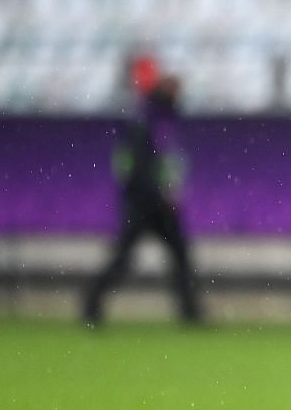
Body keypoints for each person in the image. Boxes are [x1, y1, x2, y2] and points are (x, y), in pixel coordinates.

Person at [81, 53, 204, 327]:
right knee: (130, 257)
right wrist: (158, 192)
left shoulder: (155, 119)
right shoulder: (147, 121)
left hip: (156, 203)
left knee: (177, 255)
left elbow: (157, 162)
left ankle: (190, 312)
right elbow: (140, 166)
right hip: (143, 203)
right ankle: (91, 304)